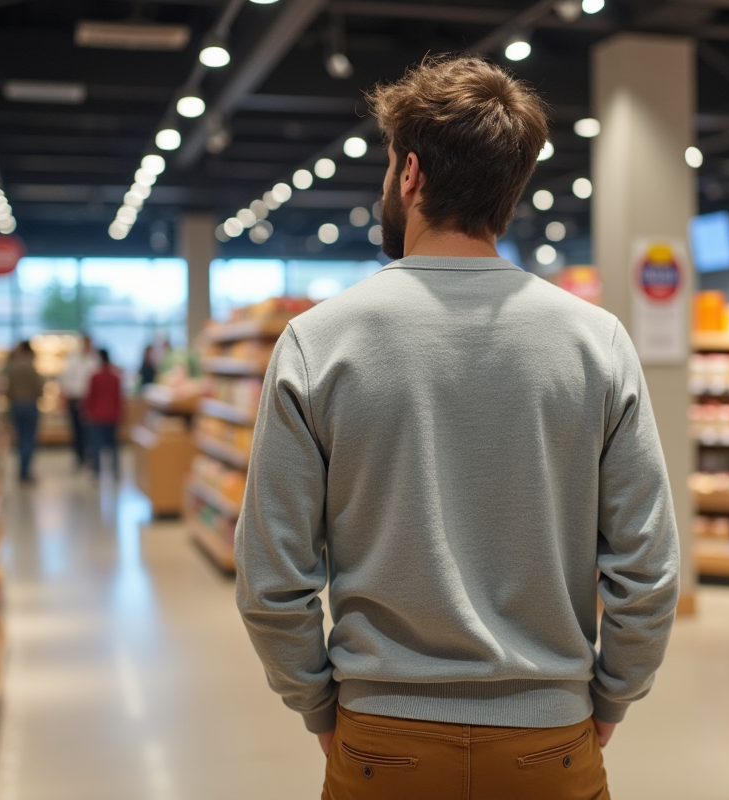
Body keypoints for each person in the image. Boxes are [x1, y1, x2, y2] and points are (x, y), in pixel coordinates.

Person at [236, 55, 679, 800]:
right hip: (551, 743)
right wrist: (611, 697)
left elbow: (271, 579)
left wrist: (316, 703)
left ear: (410, 174)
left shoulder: (319, 341)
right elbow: (649, 569)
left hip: (382, 742)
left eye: (389, 167)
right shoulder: (595, 341)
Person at [4, 340, 42, 483]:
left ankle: (21, 470)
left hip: (16, 405)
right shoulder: (32, 366)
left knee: (20, 439)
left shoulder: (12, 365)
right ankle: (26, 471)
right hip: (30, 405)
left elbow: (7, 389)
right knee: (29, 439)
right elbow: (39, 388)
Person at [58, 335, 98, 468]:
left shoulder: (94, 359)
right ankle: (79, 456)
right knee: (76, 429)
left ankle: (89, 455)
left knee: (89, 429)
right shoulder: (72, 359)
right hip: (74, 397)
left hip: (89, 399)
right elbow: (64, 378)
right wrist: (64, 397)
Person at [82, 348, 122, 477]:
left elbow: (90, 397)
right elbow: (119, 398)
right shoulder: (115, 377)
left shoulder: (95, 377)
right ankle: (115, 471)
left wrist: (86, 412)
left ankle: (96, 471)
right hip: (112, 415)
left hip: (97, 416)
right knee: (113, 445)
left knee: (96, 445)